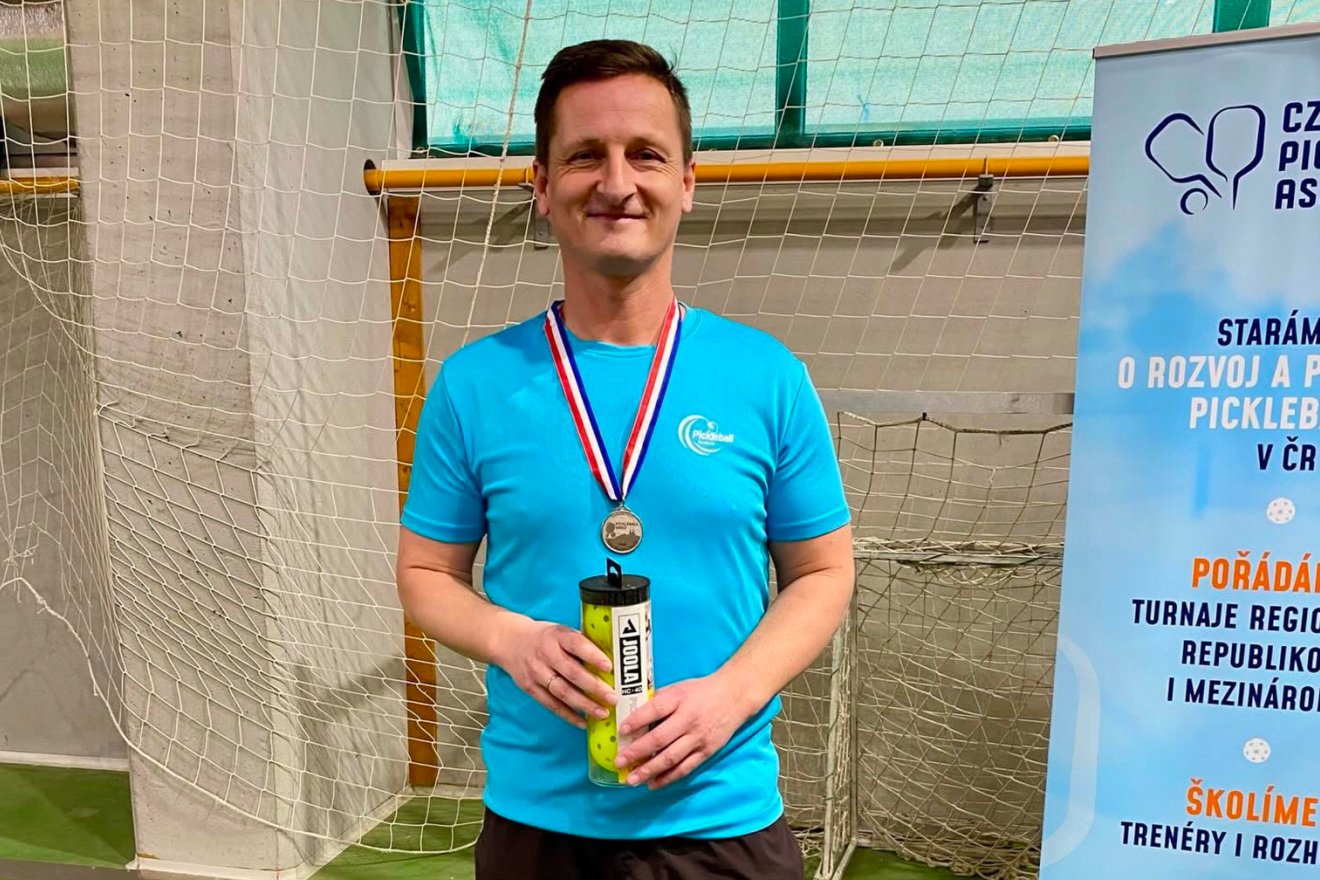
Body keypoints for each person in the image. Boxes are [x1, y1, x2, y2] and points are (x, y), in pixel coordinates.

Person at [396, 38, 854, 880]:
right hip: (538, 828)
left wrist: (731, 696)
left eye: (645, 153)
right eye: (585, 156)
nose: (616, 182)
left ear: (687, 180)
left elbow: (823, 572)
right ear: (542, 184)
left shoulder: (766, 376)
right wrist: (510, 638)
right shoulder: (474, 385)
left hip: (723, 820)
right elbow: (426, 573)